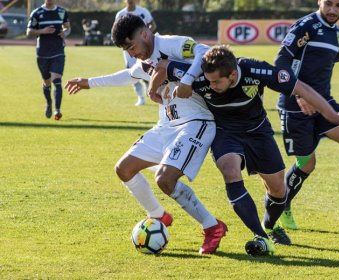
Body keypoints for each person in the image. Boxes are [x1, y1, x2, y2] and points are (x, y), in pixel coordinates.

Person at [151, 45, 339, 256]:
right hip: (225, 132)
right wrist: (154, 90)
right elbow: (161, 65)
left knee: (278, 189)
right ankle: (260, 235)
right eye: (209, 80)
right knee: (230, 169)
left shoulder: (255, 70)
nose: (212, 85)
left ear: (233, 74)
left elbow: (302, 88)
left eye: (217, 81)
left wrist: (333, 116)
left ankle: (270, 225)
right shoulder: (198, 76)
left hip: (258, 131)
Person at [64, 14, 227, 255]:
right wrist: (89, 82)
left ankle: (212, 227)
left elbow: (205, 50)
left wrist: (188, 78)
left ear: (144, 34)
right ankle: (158, 215)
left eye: (131, 47)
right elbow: (128, 75)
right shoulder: (145, 61)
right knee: (124, 168)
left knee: (165, 180)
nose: (131, 53)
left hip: (195, 123)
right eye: (125, 50)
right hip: (166, 126)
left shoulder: (171, 44)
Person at [274, 0, 339, 228]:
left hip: (324, 102)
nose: (332, 10)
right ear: (319, 1)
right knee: (307, 163)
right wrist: (300, 95)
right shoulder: (304, 26)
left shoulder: (337, 34)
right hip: (296, 104)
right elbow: (281, 63)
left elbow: (322, 69)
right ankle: (281, 206)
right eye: (328, 4)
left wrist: (321, 101)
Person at [26, 0, 70, 120]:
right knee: (46, 82)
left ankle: (57, 110)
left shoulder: (61, 12)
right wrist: (42, 31)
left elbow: (67, 28)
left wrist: (64, 33)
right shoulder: (37, 13)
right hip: (42, 53)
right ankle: (49, 103)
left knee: (57, 80)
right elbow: (29, 31)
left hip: (58, 51)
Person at [115, 0, 157, 106]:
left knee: (147, 70)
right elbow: (116, 33)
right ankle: (140, 97)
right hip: (129, 51)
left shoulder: (143, 11)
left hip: (143, 48)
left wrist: (145, 37)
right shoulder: (120, 14)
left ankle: (150, 90)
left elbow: (152, 25)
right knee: (132, 74)